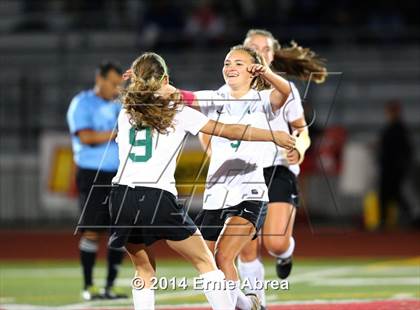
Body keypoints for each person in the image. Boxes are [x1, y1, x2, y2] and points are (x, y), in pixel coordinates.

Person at [109, 52, 295, 310]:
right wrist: (273, 135)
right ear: (164, 78)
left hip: (120, 198)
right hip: (155, 196)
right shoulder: (177, 111)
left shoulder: (126, 112)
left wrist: (143, 81)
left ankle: (243, 303)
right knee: (206, 262)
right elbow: (230, 130)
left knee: (144, 270)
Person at [198, 29, 327, 308]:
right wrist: (218, 158)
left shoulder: (281, 90)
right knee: (243, 249)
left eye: (265, 49)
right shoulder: (224, 92)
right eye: (252, 49)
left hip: (277, 167)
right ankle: (257, 302)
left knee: (276, 243)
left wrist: (300, 149)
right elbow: (205, 131)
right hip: (241, 176)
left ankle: (285, 253)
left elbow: (302, 131)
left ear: (271, 54)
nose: (260, 54)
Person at [66, 62, 127, 300]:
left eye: (120, 84)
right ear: (99, 79)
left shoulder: (120, 104)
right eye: (113, 83)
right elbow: (86, 136)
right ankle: (89, 287)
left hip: (120, 175)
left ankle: (109, 287)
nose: (117, 88)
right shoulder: (82, 103)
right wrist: (116, 132)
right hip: (92, 173)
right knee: (92, 230)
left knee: (120, 230)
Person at [378, 100, 412, 228]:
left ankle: (387, 220)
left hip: (393, 167)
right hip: (389, 165)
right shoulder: (393, 127)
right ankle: (386, 220)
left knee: (391, 194)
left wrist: (401, 164)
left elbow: (405, 148)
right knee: (391, 194)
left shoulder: (398, 128)